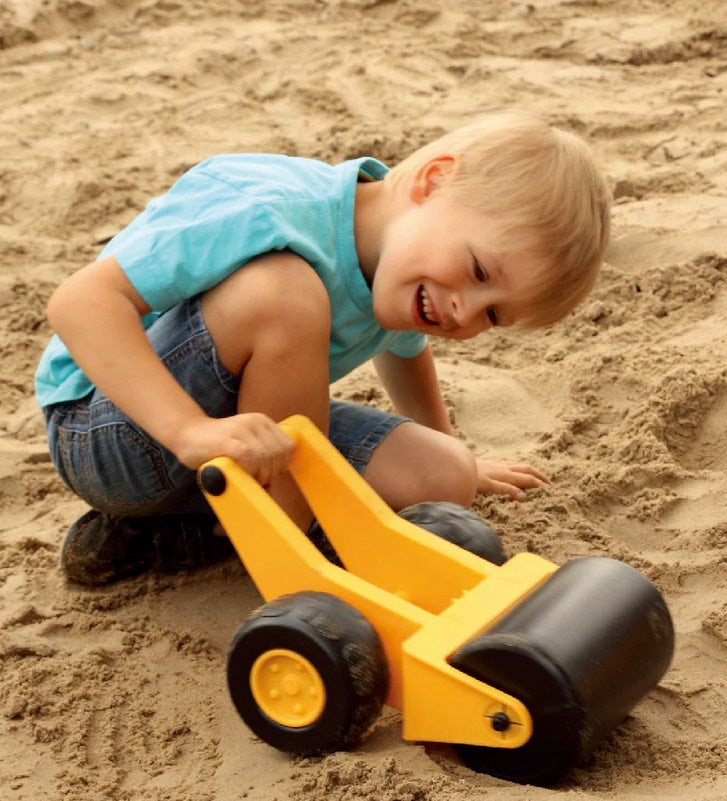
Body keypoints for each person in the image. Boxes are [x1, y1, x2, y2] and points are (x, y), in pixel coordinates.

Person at [35, 110, 611, 585]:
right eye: (479, 270)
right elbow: (80, 302)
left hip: (240, 444)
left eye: (493, 314)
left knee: (444, 475)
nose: (464, 311)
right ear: (433, 182)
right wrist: (189, 430)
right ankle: (288, 551)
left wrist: (457, 452)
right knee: (284, 293)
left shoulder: (408, 267)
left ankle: (174, 535)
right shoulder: (270, 209)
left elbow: (404, 349)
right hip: (112, 430)